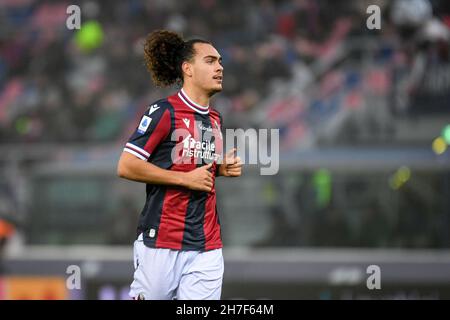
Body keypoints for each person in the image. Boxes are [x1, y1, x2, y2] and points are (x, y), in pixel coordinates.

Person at [117, 30, 242, 300]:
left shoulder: (216, 119)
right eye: (210, 61)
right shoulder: (164, 111)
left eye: (220, 61)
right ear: (188, 68)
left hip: (207, 246)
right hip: (161, 242)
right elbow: (127, 166)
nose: (220, 67)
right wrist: (185, 180)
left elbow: (192, 163)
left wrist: (219, 169)